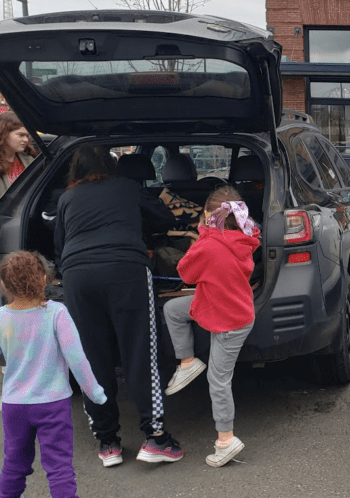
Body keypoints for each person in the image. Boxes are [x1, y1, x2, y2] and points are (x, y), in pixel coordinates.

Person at [54, 145, 182, 467]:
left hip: (78, 278)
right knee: (139, 352)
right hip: (126, 271)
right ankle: (156, 439)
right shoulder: (127, 187)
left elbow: (59, 246)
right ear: (111, 167)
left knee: (91, 357)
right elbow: (165, 218)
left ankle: (108, 442)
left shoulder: (67, 198)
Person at [0, 250, 107, 498]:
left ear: (3, 284)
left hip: (14, 405)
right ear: (45, 280)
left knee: (14, 462)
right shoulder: (56, 313)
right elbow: (77, 359)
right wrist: (95, 393)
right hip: (53, 404)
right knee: (59, 467)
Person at [163, 186, 260, 467]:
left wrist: (203, 233)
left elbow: (185, 272)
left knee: (218, 381)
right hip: (232, 305)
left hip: (228, 320)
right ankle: (187, 362)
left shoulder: (209, 245)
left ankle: (226, 440)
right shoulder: (245, 236)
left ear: (208, 215)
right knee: (173, 310)